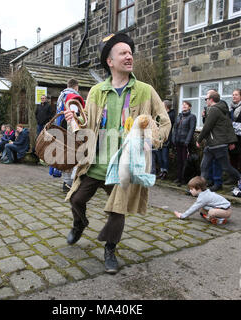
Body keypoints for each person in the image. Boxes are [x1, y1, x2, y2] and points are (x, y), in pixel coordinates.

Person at [63, 33, 171, 274]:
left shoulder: (145, 90)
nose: (129, 56)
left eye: (130, 52)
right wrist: (75, 119)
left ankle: (110, 249)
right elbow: (87, 123)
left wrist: (150, 137)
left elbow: (164, 122)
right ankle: (79, 224)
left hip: (124, 165)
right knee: (76, 199)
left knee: (117, 210)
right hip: (95, 163)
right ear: (109, 61)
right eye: (123, 53)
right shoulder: (97, 91)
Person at [196, 90, 240, 186]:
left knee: (226, 167)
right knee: (204, 166)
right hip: (211, 144)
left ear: (211, 99)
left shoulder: (215, 110)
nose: (205, 101)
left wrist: (199, 139)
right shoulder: (214, 109)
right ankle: (199, 187)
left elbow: (207, 127)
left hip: (218, 144)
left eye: (206, 99)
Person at [54, 78, 84, 192]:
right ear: (76, 87)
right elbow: (74, 115)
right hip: (70, 129)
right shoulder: (72, 96)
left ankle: (67, 182)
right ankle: (68, 184)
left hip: (61, 128)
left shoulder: (62, 95)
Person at [172, 100, 196, 185]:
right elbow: (175, 129)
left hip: (185, 142)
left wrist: (187, 141)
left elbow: (191, 130)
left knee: (185, 161)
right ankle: (178, 177)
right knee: (179, 161)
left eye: (186, 105)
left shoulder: (192, 117)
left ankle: (184, 179)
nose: (184, 106)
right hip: (178, 141)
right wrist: (173, 139)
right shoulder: (179, 116)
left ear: (189, 107)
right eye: (183, 104)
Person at [155, 100, 175, 180]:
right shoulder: (161, 114)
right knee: (159, 158)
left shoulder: (171, 115)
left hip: (166, 139)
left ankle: (165, 172)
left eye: (162, 105)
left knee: (164, 158)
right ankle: (161, 171)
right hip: (158, 138)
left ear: (166, 106)